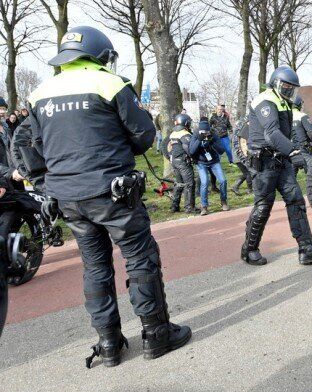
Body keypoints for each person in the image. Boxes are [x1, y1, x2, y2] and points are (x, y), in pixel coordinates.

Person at [27, 26, 191, 367]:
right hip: (113, 192)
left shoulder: (39, 94)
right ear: (101, 55)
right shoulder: (110, 83)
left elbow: (35, 148)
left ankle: (109, 343)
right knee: (140, 258)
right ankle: (156, 335)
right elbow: (144, 135)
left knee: (95, 267)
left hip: (69, 197)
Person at [241, 65, 312, 266]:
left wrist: (291, 152)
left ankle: (307, 250)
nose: (290, 91)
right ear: (275, 84)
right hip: (264, 162)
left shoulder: (283, 102)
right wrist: (293, 151)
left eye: (292, 88)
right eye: (286, 87)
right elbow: (271, 133)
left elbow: (285, 132)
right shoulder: (265, 100)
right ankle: (249, 249)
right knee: (263, 205)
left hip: (281, 160)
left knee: (296, 201)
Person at [190, 120, 228, 215]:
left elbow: (222, 150)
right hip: (201, 162)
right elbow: (191, 151)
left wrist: (211, 142)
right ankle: (204, 206)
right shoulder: (195, 134)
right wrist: (199, 140)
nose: (205, 134)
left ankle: (223, 201)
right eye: (203, 132)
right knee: (205, 182)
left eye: (206, 132)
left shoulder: (214, 134)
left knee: (223, 180)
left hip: (214, 161)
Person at [167, 114, 198, 213]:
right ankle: (189, 207)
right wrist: (194, 157)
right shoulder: (185, 134)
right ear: (185, 123)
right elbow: (188, 149)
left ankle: (174, 206)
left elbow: (168, 148)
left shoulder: (173, 134)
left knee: (179, 184)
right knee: (189, 184)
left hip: (174, 161)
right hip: (183, 162)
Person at [291, 95, 312, 169]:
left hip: (290, 151)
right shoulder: (302, 116)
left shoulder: (285, 117)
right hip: (304, 150)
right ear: (299, 104)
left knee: (290, 178)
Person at [231, 118, 253, 195]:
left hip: (236, 156)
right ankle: (250, 189)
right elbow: (239, 146)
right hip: (239, 156)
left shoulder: (236, 132)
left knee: (245, 172)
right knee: (248, 172)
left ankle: (235, 186)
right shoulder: (240, 133)